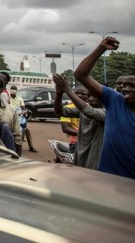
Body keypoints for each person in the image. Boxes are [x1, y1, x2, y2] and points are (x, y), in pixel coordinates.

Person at [73, 37, 135, 179]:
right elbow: (80, 74)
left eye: (132, 85)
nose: (125, 89)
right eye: (124, 85)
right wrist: (101, 48)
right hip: (107, 177)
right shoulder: (115, 100)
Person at [52, 74, 106, 170]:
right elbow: (59, 111)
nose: (90, 99)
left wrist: (67, 90)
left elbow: (89, 112)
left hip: (96, 156)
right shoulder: (83, 110)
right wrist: (59, 93)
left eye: (94, 96)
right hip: (80, 152)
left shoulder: (106, 111)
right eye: (89, 95)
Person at [10, 86, 37, 152]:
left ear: (16, 91)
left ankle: (31, 147)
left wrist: (24, 112)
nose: (13, 91)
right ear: (10, 90)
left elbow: (23, 108)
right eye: (12, 90)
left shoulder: (20, 99)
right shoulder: (8, 98)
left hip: (19, 117)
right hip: (10, 116)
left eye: (14, 90)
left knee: (26, 130)